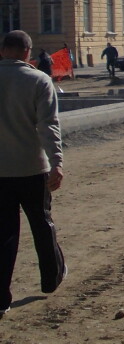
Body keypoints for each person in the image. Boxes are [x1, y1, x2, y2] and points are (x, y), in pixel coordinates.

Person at [1, 30, 67, 317]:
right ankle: (51, 278)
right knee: (41, 223)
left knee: (3, 235)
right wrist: (57, 162)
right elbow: (48, 126)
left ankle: (1, 298)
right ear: (28, 52)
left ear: (2, 50)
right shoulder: (39, 80)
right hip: (31, 168)